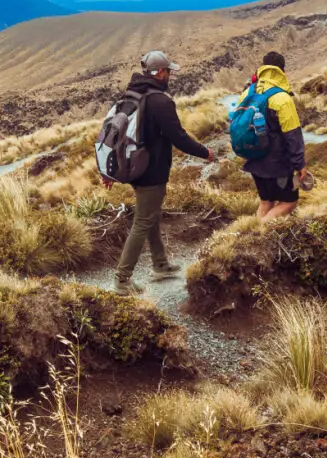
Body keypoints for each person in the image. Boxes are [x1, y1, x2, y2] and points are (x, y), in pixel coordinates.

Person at [108, 50, 215, 296]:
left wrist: (110, 172)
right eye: (168, 71)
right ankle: (122, 279)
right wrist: (204, 152)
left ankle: (160, 264)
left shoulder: (131, 95)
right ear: (160, 73)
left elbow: (113, 135)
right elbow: (178, 137)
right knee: (143, 221)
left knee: (151, 215)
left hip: (134, 167)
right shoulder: (160, 101)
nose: (170, 76)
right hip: (151, 170)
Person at [239, 51, 310, 219]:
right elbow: (293, 135)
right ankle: (260, 235)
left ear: (263, 67)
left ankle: (251, 236)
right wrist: (300, 164)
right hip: (277, 164)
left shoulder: (248, 92)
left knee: (266, 202)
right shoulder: (282, 98)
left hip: (255, 158)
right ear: (282, 71)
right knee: (288, 202)